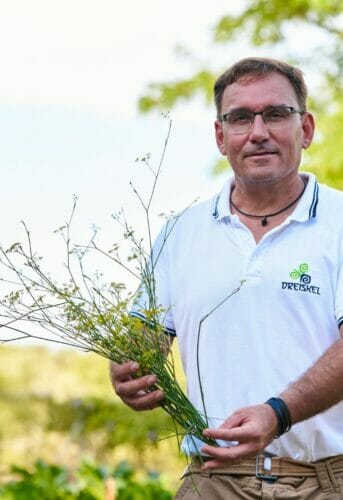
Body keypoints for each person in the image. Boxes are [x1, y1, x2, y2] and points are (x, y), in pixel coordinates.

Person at [110, 57, 343, 498]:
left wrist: (278, 413)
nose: (258, 132)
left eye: (276, 114)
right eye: (240, 118)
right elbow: (144, 339)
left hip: (327, 482)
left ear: (306, 129)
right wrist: (126, 372)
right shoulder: (181, 232)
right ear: (222, 136)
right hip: (214, 481)